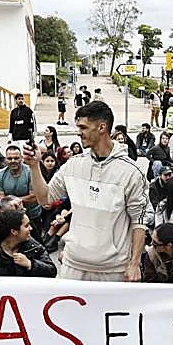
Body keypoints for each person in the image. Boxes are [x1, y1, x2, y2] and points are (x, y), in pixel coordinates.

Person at [25, 100, 148, 282]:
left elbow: (139, 221)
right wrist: (34, 166)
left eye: (83, 127)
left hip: (113, 271)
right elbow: (45, 199)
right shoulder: (73, 165)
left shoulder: (131, 172)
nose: (78, 132)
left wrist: (135, 264)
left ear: (102, 127)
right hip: (73, 267)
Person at [0, 209, 58, 278]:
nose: (31, 228)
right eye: (26, 226)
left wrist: (30, 264)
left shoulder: (33, 247)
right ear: (14, 231)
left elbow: (52, 271)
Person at [0, 145, 42, 231]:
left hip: (32, 214)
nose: (13, 161)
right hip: (11, 215)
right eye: (10, 158)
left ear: (21, 158)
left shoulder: (30, 172)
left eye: (16, 158)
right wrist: (11, 203)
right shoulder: (1, 174)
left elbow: (34, 197)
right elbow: (0, 197)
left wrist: (14, 200)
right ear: (5, 159)